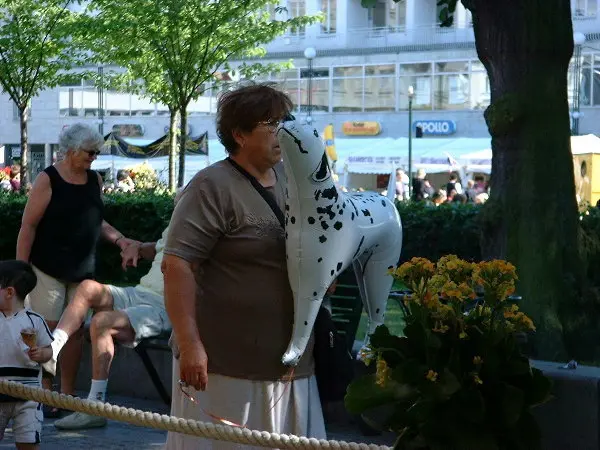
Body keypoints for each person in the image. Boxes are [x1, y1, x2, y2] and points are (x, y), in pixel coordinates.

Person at [162, 83, 326, 450]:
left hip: (291, 365)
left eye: (285, 121)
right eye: (271, 123)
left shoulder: (295, 181)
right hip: (223, 368)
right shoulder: (210, 186)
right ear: (239, 134)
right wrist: (190, 345)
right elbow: (177, 265)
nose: (282, 131)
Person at [15, 123, 138, 418]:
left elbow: (96, 222)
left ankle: (67, 396)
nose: (93, 157)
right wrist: (21, 270)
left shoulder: (94, 180)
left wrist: (121, 240)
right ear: (71, 150)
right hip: (47, 269)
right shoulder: (49, 179)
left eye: (96, 152)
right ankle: (44, 394)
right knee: (48, 332)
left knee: (74, 336)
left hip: (82, 271)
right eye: (89, 152)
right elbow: (28, 226)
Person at [47, 192, 185, 430]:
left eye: (183, 203)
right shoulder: (178, 223)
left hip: (166, 307)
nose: (179, 207)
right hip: (141, 293)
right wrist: (138, 248)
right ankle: (54, 348)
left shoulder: (205, 233)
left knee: (102, 323)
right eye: (179, 204)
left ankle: (96, 407)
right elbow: (159, 248)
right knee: (88, 288)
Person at [0, 260, 54, 450]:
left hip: (28, 396)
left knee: (27, 442)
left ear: (9, 292)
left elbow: (49, 350)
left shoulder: (34, 320)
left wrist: (41, 353)